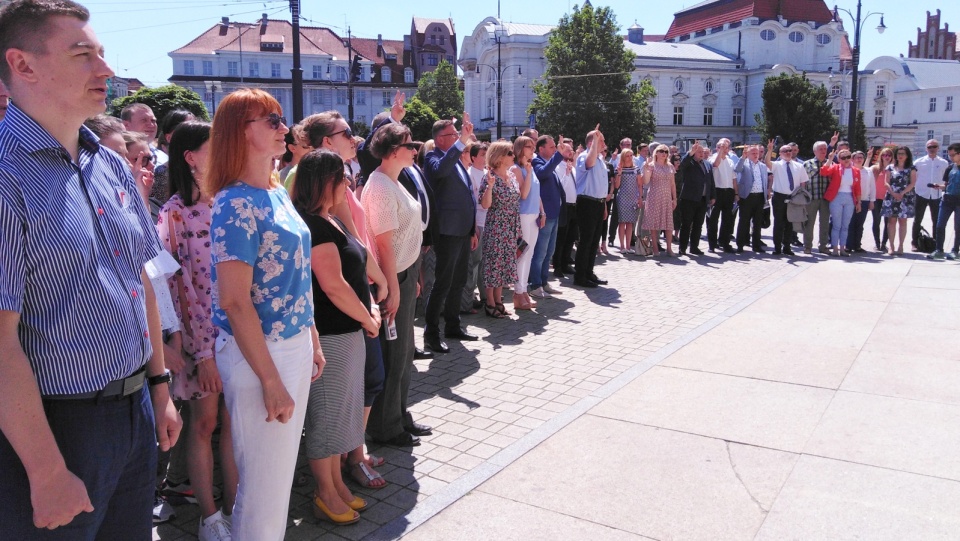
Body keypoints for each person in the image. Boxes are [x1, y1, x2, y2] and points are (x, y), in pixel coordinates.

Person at [0, 1, 180, 537]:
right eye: (83, 55)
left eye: (101, 54)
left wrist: (159, 386)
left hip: (133, 415)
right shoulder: (7, 179)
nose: (105, 69)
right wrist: (47, 470)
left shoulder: (107, 162)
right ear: (22, 64)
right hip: (55, 429)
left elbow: (140, 281)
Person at [209, 88, 324, 540]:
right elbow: (235, 302)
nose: (284, 127)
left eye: (282, 119)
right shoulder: (234, 203)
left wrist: (311, 339)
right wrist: (272, 381)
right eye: (271, 120)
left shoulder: (275, 191)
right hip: (260, 356)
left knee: (275, 482)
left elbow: (298, 274)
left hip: (290, 346)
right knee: (263, 488)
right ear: (241, 132)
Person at [156, 121, 237, 540]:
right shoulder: (173, 212)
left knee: (234, 422)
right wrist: (201, 352)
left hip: (239, 334)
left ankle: (235, 507)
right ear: (190, 157)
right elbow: (175, 287)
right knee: (204, 424)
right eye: (215, 145)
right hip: (199, 341)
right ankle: (208, 517)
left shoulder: (229, 200)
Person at [292, 150, 380, 525]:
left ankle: (337, 487)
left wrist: (370, 309)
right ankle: (325, 492)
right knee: (327, 417)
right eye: (340, 177)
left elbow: (356, 277)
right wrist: (368, 317)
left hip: (349, 331)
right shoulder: (313, 224)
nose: (348, 183)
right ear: (322, 182)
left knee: (342, 411)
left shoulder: (331, 219)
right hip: (330, 334)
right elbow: (333, 285)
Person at [361, 122, 426, 448]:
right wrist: (395, 286)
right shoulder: (382, 187)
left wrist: (413, 275)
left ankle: (400, 416)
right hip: (391, 278)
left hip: (404, 273)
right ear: (392, 149)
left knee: (402, 356)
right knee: (394, 355)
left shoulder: (394, 181)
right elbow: (383, 244)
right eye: (408, 144)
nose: (414, 149)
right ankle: (387, 427)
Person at [422, 116, 479, 353]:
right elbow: (441, 171)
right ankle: (431, 334)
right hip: (446, 231)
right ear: (439, 139)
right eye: (453, 135)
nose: (458, 137)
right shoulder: (433, 158)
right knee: (442, 284)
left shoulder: (456, 160)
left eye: (458, 134)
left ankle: (453, 325)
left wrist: (472, 228)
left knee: (459, 281)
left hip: (463, 231)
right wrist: (460, 143)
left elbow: (468, 195)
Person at [480, 141, 521, 317]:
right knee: (493, 266)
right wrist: (489, 186)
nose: (514, 156)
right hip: (496, 226)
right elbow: (485, 204)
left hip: (510, 226)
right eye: (510, 153)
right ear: (500, 156)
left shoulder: (511, 176)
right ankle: (490, 303)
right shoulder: (489, 177)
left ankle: (499, 301)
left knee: (504, 265)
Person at [530, 135, 571, 297]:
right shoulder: (537, 162)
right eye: (552, 147)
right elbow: (541, 174)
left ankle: (544, 282)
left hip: (553, 215)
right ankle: (535, 285)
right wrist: (558, 156)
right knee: (540, 252)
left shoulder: (550, 164)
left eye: (556, 147)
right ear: (541, 149)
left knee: (549, 252)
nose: (555, 149)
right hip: (544, 216)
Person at [574, 126, 609, 288]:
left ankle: (589, 272)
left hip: (598, 203)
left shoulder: (601, 159)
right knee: (586, 241)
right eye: (600, 140)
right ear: (591, 142)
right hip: (587, 202)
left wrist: (604, 206)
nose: (604, 143)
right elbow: (589, 163)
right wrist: (595, 141)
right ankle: (580, 276)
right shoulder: (584, 156)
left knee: (594, 241)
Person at [511, 136, 541, 310]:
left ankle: (523, 291)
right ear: (521, 148)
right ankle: (518, 292)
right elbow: (524, 194)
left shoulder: (530, 167)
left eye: (533, 146)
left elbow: (537, 194)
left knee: (529, 255)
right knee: (522, 254)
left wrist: (542, 211)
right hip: (523, 214)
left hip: (534, 214)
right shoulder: (516, 169)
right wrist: (528, 173)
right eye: (529, 146)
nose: (532, 149)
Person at [766, 141, 808, 255]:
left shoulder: (799, 166)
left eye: (790, 150)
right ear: (780, 154)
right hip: (779, 197)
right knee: (779, 223)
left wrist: (801, 197)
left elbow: (803, 183)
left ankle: (787, 247)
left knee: (790, 224)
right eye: (785, 151)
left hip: (793, 198)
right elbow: (767, 163)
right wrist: (769, 150)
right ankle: (777, 247)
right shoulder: (777, 165)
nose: (788, 153)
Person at [819, 148, 862, 257]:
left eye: (848, 157)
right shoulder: (836, 167)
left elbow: (857, 188)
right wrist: (829, 159)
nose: (846, 159)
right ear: (839, 159)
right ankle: (834, 248)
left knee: (845, 225)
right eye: (843, 158)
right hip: (836, 197)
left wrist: (859, 202)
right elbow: (823, 171)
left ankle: (842, 248)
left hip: (849, 198)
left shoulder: (855, 170)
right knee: (836, 225)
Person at [677, 141, 716, 256]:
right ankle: (682, 248)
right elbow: (682, 164)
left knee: (698, 224)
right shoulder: (690, 163)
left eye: (702, 152)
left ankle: (694, 247)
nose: (701, 154)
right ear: (694, 153)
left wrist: (712, 195)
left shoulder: (707, 164)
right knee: (686, 224)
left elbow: (711, 181)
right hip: (689, 198)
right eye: (699, 152)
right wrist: (690, 153)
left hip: (703, 199)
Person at [463, 142, 489, 311]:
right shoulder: (470, 174)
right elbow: (472, 202)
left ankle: (486, 294)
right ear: (473, 157)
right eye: (482, 155)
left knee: (485, 261)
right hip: (478, 222)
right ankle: (469, 296)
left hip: (489, 221)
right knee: (475, 261)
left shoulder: (487, 173)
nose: (485, 157)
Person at [151, 109, 196, 203]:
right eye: (186, 128)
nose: (193, 133)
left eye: (194, 127)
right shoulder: (161, 174)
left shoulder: (205, 167)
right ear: (169, 137)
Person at [880, 146, 918, 256]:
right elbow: (886, 182)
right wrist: (893, 193)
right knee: (891, 221)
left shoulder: (912, 168)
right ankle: (891, 246)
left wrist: (901, 193)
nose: (900, 156)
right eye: (898, 153)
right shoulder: (890, 167)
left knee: (902, 221)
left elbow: (912, 183)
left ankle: (901, 245)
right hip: (892, 196)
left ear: (907, 156)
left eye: (903, 153)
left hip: (906, 196)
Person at [640, 144, 677, 257]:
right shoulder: (651, 165)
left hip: (666, 197)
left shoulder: (670, 166)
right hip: (654, 196)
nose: (664, 153)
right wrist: (646, 170)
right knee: (654, 223)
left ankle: (669, 249)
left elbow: (672, 184)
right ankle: (655, 248)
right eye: (661, 151)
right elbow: (645, 181)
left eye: (666, 152)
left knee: (668, 223)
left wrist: (674, 198)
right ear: (656, 152)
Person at [734, 144, 771, 254]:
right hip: (747, 197)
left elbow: (765, 180)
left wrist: (766, 193)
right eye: (753, 153)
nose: (755, 155)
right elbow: (737, 169)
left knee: (757, 222)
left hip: (759, 197)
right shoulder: (744, 163)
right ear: (748, 154)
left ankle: (756, 245)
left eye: (757, 153)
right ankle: (740, 245)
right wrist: (743, 158)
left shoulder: (762, 166)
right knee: (744, 221)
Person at [912, 139, 948, 251]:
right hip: (921, 193)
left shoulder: (944, 163)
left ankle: (936, 243)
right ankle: (914, 243)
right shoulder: (918, 162)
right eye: (929, 147)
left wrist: (941, 186)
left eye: (934, 146)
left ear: (938, 148)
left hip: (936, 195)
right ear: (926, 149)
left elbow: (945, 178)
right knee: (917, 219)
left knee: (936, 220)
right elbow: (913, 177)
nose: (932, 149)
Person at [927, 142, 960, 260]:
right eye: (949, 155)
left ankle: (955, 250)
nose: (950, 157)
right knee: (940, 225)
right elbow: (947, 185)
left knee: (958, 227)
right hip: (947, 199)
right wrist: (938, 186)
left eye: (953, 155)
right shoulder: (950, 167)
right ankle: (939, 250)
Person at [802, 139, 833, 254]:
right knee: (809, 223)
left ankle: (823, 246)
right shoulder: (807, 164)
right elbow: (803, 182)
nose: (823, 151)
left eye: (825, 149)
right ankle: (808, 246)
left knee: (824, 223)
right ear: (815, 151)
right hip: (811, 198)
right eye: (821, 149)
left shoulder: (831, 163)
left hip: (826, 199)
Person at [553, 139, 578, 278]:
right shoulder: (557, 167)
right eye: (568, 150)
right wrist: (567, 173)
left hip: (574, 206)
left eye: (571, 151)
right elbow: (560, 186)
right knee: (561, 238)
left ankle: (566, 263)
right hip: (564, 206)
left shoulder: (571, 166)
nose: (571, 153)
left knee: (570, 237)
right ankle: (557, 266)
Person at [708, 138, 738, 253]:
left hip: (728, 192)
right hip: (717, 191)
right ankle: (712, 244)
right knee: (713, 219)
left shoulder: (730, 161)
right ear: (717, 148)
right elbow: (716, 164)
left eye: (726, 147)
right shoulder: (713, 158)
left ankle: (724, 242)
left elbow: (734, 178)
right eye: (722, 147)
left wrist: (736, 193)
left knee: (727, 219)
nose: (725, 149)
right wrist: (720, 152)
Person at [847, 150, 876, 253]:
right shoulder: (849, 170)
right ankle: (848, 245)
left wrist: (872, 201)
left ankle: (857, 245)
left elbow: (872, 187)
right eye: (857, 157)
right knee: (850, 224)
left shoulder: (868, 171)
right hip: (850, 200)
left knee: (860, 224)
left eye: (861, 157)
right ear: (852, 159)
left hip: (864, 200)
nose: (859, 159)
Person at [121, 102, 168, 166]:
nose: (151, 125)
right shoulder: (118, 156)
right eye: (144, 120)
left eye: (153, 121)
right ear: (126, 125)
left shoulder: (164, 157)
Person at [615, 149, 641, 253]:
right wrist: (620, 174)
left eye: (631, 155)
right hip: (622, 197)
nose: (630, 157)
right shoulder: (619, 168)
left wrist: (640, 197)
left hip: (633, 197)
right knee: (622, 222)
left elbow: (640, 184)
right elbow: (617, 185)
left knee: (630, 223)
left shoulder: (636, 169)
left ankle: (628, 246)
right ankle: (622, 246)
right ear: (623, 157)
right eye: (627, 156)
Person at [871, 147, 894, 251]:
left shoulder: (894, 169)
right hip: (876, 198)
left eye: (889, 155)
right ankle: (877, 243)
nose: (887, 157)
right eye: (885, 155)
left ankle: (884, 243)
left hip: (888, 198)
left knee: (888, 222)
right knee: (876, 221)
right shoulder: (875, 168)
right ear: (881, 156)